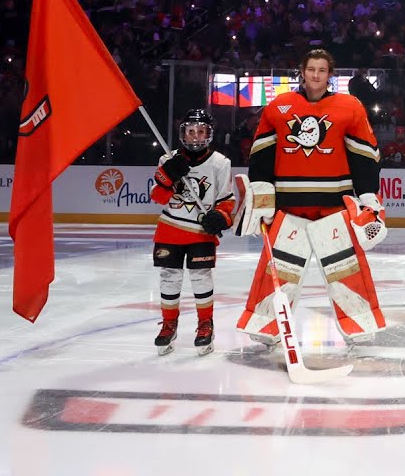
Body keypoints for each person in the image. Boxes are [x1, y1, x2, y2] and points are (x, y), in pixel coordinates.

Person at [236, 49, 387, 347]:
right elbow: (261, 157)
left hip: (335, 208)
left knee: (346, 270)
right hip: (289, 208)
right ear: (301, 72)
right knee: (278, 270)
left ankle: (358, 322)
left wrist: (367, 194)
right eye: (311, 69)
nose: (316, 75)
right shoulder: (279, 107)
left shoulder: (349, 107)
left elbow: (364, 155)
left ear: (330, 74)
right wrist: (264, 199)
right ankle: (267, 324)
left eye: (322, 70)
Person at [149, 109, 235, 356]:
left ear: (209, 134)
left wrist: (220, 217)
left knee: (201, 278)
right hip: (170, 229)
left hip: (200, 232)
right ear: (182, 132)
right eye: (190, 131)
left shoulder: (220, 163)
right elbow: (157, 196)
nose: (195, 136)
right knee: (169, 278)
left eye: (200, 131)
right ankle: (169, 324)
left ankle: (205, 324)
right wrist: (167, 176)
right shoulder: (168, 160)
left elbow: (226, 200)